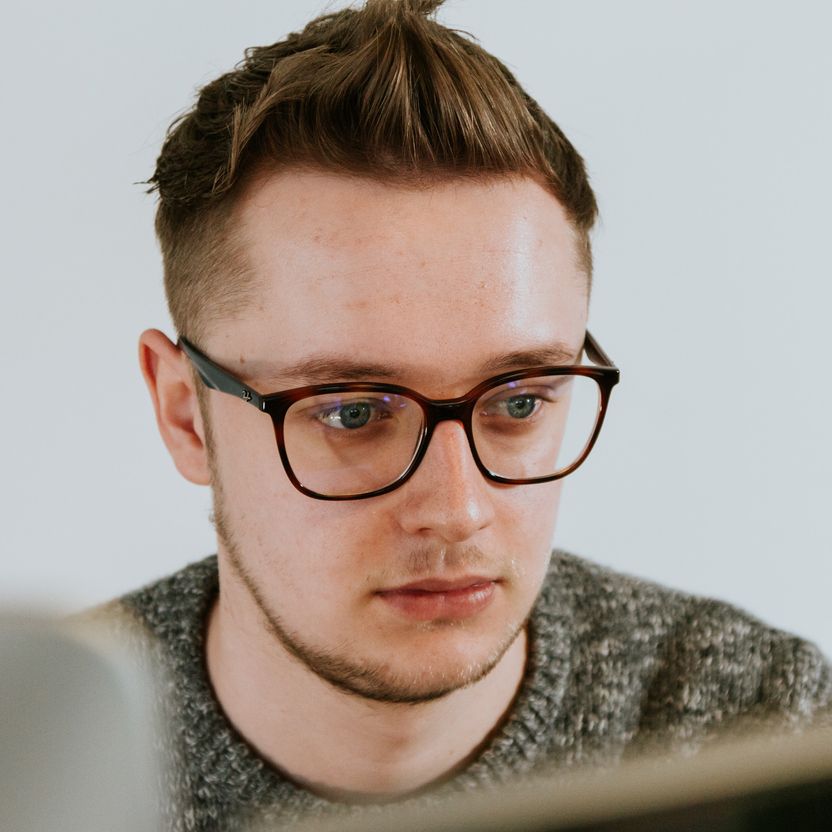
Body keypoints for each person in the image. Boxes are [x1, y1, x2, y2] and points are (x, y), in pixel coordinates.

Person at [95, 0, 830, 829]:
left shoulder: (764, 728)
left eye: (519, 402)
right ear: (185, 412)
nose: (458, 510)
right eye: (353, 413)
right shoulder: (38, 753)